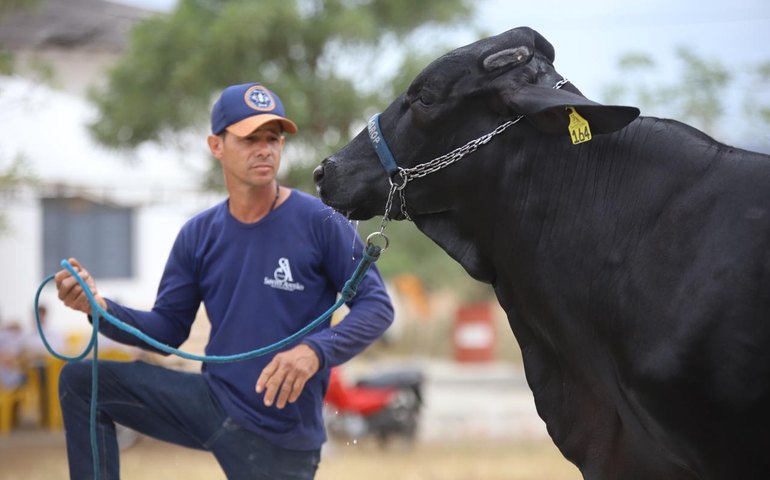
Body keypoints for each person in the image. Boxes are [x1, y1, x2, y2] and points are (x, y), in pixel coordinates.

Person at [53, 82, 394, 479]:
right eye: (250, 138)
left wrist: (314, 351)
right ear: (216, 145)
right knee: (83, 382)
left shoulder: (321, 222)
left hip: (280, 432)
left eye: (273, 138)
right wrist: (99, 308)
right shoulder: (199, 234)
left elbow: (377, 306)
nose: (265, 148)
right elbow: (167, 330)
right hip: (212, 403)